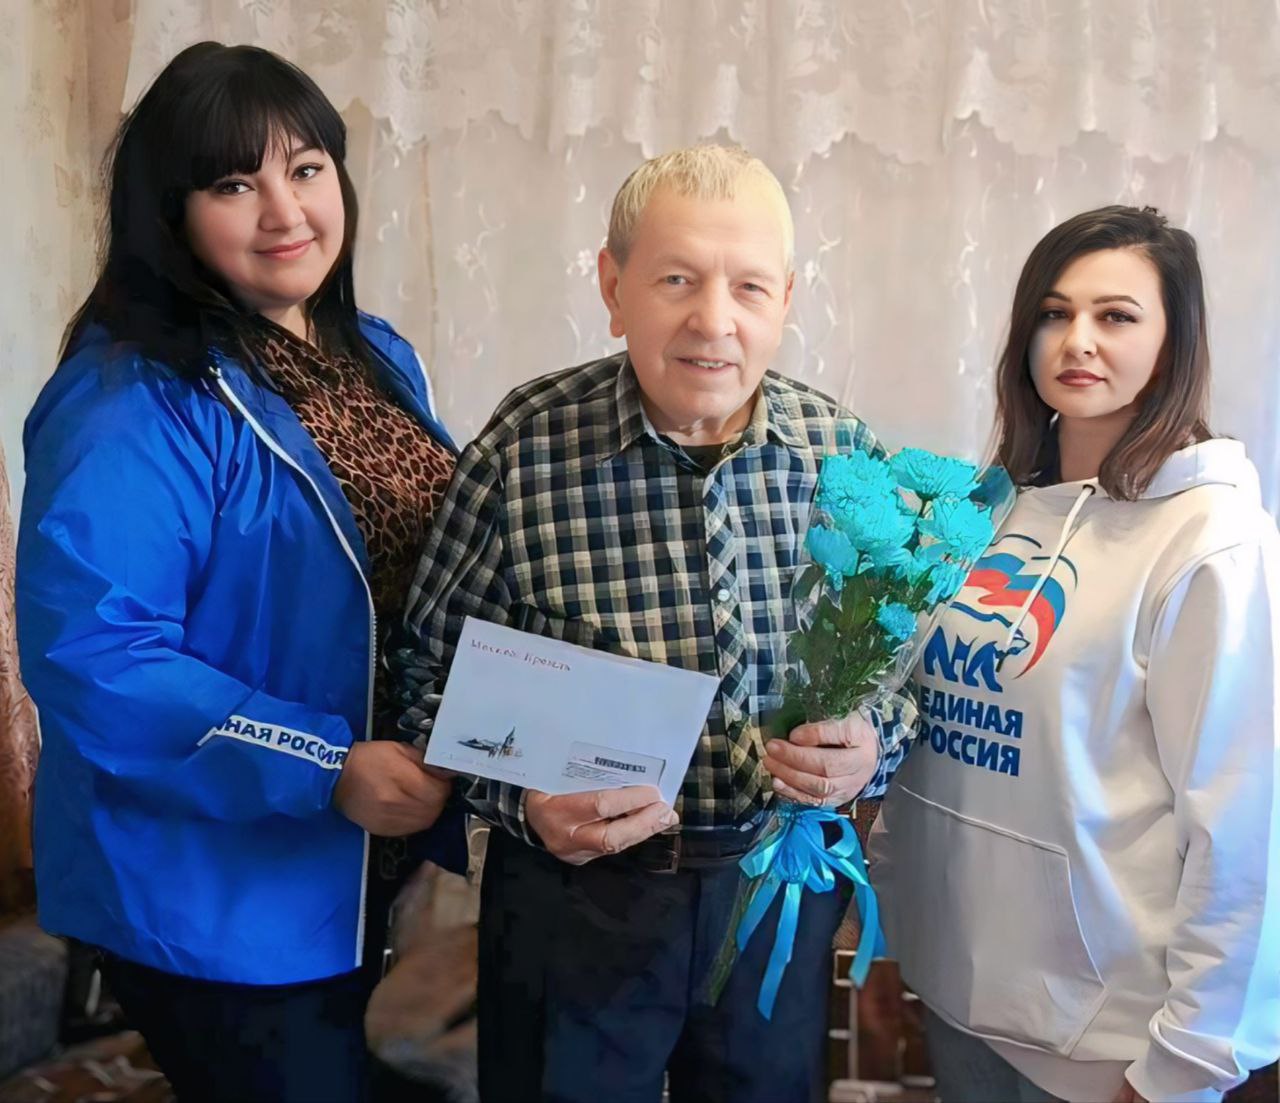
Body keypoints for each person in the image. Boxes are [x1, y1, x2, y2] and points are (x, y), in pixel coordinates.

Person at [392, 143, 917, 1103]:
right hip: (574, 898)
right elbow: (427, 672)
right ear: (613, 285)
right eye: (676, 279)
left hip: (770, 891)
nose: (713, 320)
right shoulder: (525, 447)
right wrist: (519, 802)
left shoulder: (843, 456)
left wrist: (868, 745)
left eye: (748, 286)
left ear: (786, 299)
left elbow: (900, 678)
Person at [17, 42, 463, 1102]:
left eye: (305, 169)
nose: (284, 212)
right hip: (208, 890)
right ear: (169, 215)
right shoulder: (131, 400)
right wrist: (324, 763)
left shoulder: (375, 355)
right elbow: (98, 656)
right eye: (232, 184)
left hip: (351, 861)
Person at [870, 206, 1280, 1103]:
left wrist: (1186, 1064)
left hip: (1110, 1045)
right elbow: (933, 743)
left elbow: (1245, 823)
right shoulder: (988, 511)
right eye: (1054, 313)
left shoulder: (1214, 540)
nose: (1077, 340)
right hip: (961, 997)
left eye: (1116, 315)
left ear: (1173, 343)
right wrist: (898, 928)